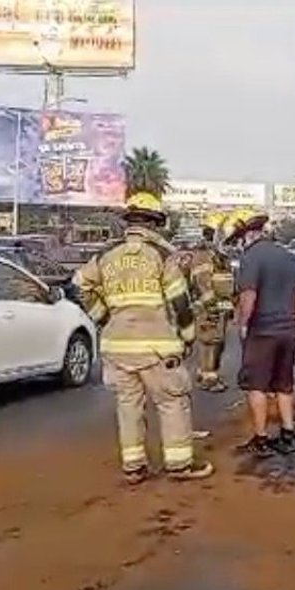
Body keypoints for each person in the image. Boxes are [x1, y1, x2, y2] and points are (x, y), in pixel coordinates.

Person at [77, 192, 213, 484]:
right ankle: (179, 466)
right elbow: (180, 302)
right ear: (154, 223)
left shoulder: (105, 255)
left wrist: (104, 317)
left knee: (128, 407)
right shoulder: (163, 256)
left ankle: (134, 468)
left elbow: (80, 287)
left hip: (117, 347)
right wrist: (188, 338)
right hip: (158, 347)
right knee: (172, 402)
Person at [233, 211, 295, 457]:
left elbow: (248, 294)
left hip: (262, 330)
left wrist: (243, 323)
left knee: (257, 385)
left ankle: (261, 438)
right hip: (288, 329)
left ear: (248, 235)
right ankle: (288, 433)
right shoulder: (289, 256)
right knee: (284, 384)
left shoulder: (251, 257)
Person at [191, 214, 236, 392]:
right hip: (209, 307)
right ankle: (208, 378)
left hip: (220, 305)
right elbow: (203, 283)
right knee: (210, 341)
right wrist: (212, 307)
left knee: (217, 341)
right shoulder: (204, 255)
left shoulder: (218, 255)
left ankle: (207, 373)